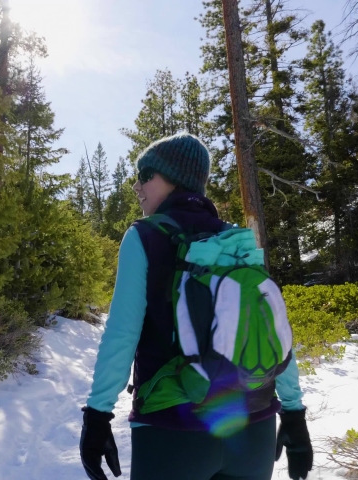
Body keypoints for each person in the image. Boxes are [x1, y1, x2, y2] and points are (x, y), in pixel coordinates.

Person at [79, 133, 313, 480]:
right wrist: (293, 412)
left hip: (172, 430)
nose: (137, 187)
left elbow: (122, 333)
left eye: (145, 175)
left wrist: (97, 414)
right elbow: (273, 325)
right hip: (253, 426)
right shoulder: (235, 241)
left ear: (172, 179)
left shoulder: (144, 236)